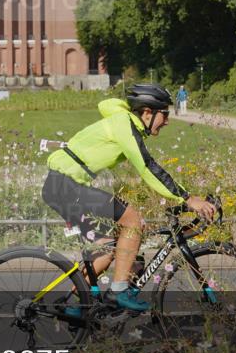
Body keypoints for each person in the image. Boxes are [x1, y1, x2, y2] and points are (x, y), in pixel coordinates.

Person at [42, 84, 216, 312]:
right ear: (147, 113)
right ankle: (118, 291)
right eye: (165, 115)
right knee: (132, 220)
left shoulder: (124, 121)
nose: (167, 121)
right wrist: (187, 198)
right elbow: (147, 166)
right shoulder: (124, 125)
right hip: (66, 186)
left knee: (109, 248)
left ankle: (76, 306)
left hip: (62, 186)